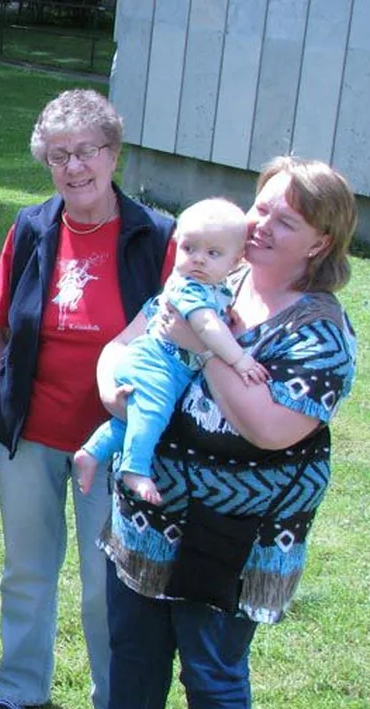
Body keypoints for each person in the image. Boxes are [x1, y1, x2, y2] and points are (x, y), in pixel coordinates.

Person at [61, 158, 358, 709]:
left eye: (284, 220)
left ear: (319, 241)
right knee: (133, 642)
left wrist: (203, 347)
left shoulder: (320, 332)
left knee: (211, 666)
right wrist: (117, 388)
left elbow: (269, 427)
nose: (259, 225)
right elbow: (123, 348)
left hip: (236, 532)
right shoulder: (209, 280)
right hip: (151, 511)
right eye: (260, 208)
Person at [0, 89, 175, 709]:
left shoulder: (155, 236)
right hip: (30, 431)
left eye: (86, 151)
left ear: (113, 153)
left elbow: (178, 343)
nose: (73, 167)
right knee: (26, 566)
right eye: (59, 156)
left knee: (105, 581)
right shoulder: (31, 227)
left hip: (115, 444)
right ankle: (20, 685)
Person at [74, 198, 268, 504]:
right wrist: (241, 360)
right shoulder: (187, 287)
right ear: (176, 244)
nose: (199, 260)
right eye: (189, 249)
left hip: (164, 367)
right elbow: (207, 329)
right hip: (153, 363)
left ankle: (91, 453)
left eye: (213, 253)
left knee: (134, 420)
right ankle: (133, 469)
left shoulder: (216, 289)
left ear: (236, 261)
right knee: (152, 412)